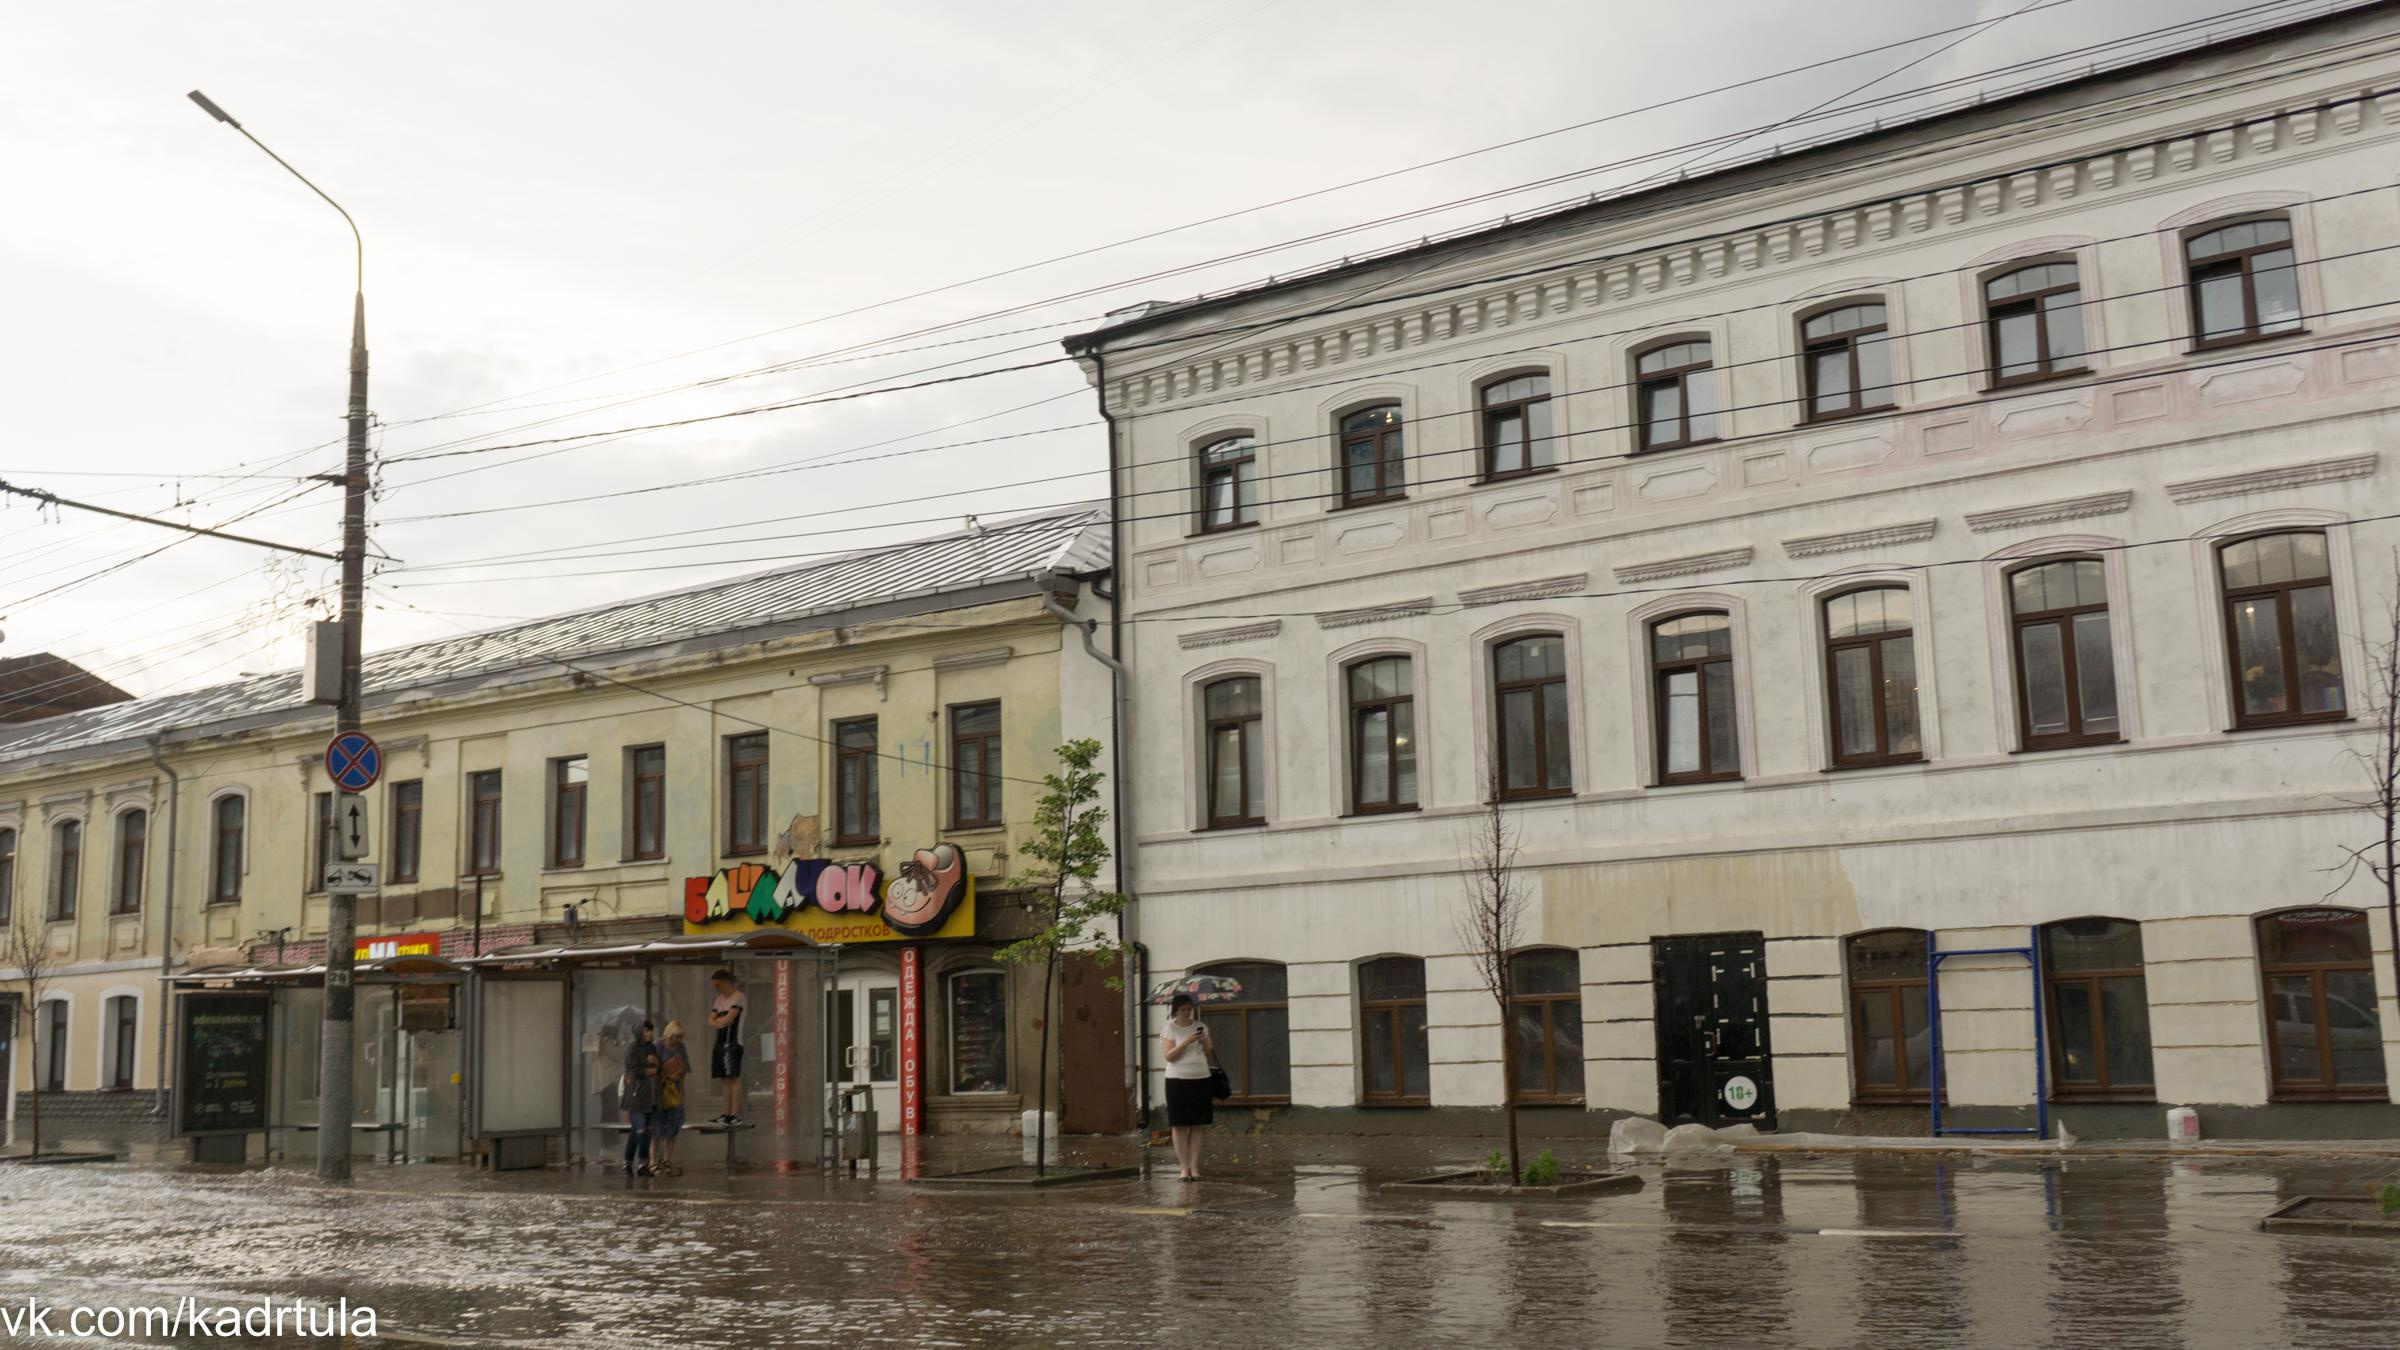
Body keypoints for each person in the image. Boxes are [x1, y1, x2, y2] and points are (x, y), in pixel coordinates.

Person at [1159, 992, 1215, 1182]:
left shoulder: (1201, 1027)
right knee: (1180, 1124)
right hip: (1177, 1079)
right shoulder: (1169, 1028)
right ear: (1175, 1010)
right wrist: (1186, 1042)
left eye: (1189, 1009)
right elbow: (1169, 1056)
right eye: (1183, 1009)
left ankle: (1194, 1166)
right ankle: (1183, 1167)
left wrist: (1206, 1043)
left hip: (1200, 1077)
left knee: (1197, 1124)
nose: (1187, 1012)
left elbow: (1207, 1055)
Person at [621, 1020, 663, 1177]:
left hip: (651, 1096)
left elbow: (661, 1068)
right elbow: (635, 1071)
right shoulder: (632, 1049)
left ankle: (642, 1165)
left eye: (651, 1031)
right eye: (645, 1031)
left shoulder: (652, 1048)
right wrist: (652, 1068)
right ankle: (627, 1163)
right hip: (637, 1097)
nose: (649, 1034)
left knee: (648, 1131)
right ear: (639, 1032)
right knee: (639, 1130)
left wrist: (656, 1063)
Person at [708, 969, 747, 1125]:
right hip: (720, 1041)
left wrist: (719, 1021)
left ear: (727, 982)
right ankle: (726, 1112)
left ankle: (735, 1113)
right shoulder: (719, 999)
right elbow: (711, 1020)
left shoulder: (738, 998)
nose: (717, 988)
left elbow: (728, 1020)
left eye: (718, 985)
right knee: (724, 1079)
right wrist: (719, 1021)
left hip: (733, 1042)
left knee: (733, 1077)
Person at [653, 1021, 691, 1176]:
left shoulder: (681, 1048)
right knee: (656, 1125)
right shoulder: (658, 1046)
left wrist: (681, 1086)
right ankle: (653, 1161)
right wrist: (667, 1074)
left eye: (680, 1037)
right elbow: (652, 1070)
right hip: (660, 1091)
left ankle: (667, 1159)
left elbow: (685, 1068)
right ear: (668, 1034)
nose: (677, 1040)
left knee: (674, 1123)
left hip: (675, 1091)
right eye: (675, 1037)